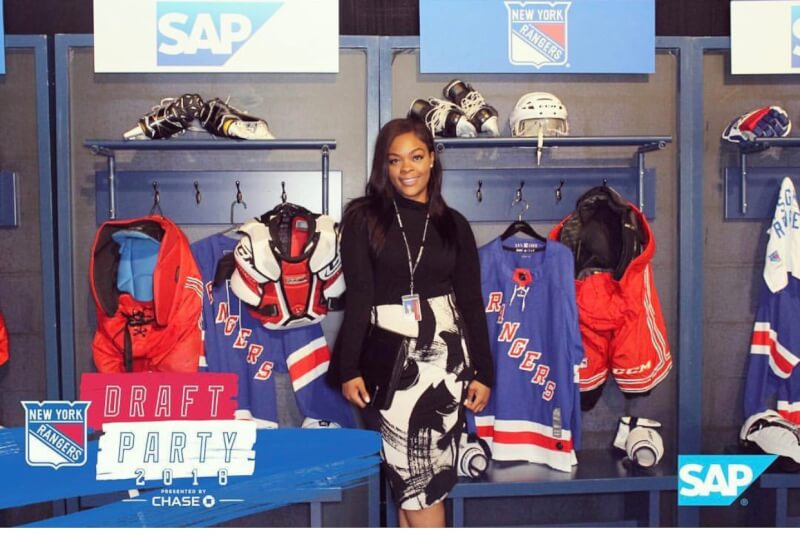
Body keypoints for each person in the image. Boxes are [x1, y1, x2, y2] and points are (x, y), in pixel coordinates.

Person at [331, 117, 494, 527]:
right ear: (383, 167)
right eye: (395, 160)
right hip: (389, 367)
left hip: (447, 365)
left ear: (432, 159)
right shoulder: (363, 218)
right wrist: (348, 368)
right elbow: (359, 298)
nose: (406, 169)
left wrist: (484, 372)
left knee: (420, 486)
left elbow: (471, 304)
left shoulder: (454, 224)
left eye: (416, 157)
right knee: (413, 485)